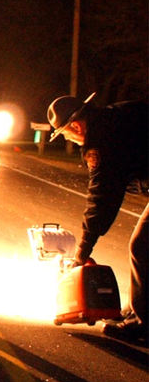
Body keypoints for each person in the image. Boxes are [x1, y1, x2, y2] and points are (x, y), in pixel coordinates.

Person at [47, 93, 148, 341]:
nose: (70, 141)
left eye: (66, 135)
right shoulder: (114, 117)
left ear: (76, 126)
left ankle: (144, 324)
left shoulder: (101, 141)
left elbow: (102, 198)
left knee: (143, 246)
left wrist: (83, 249)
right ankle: (141, 309)